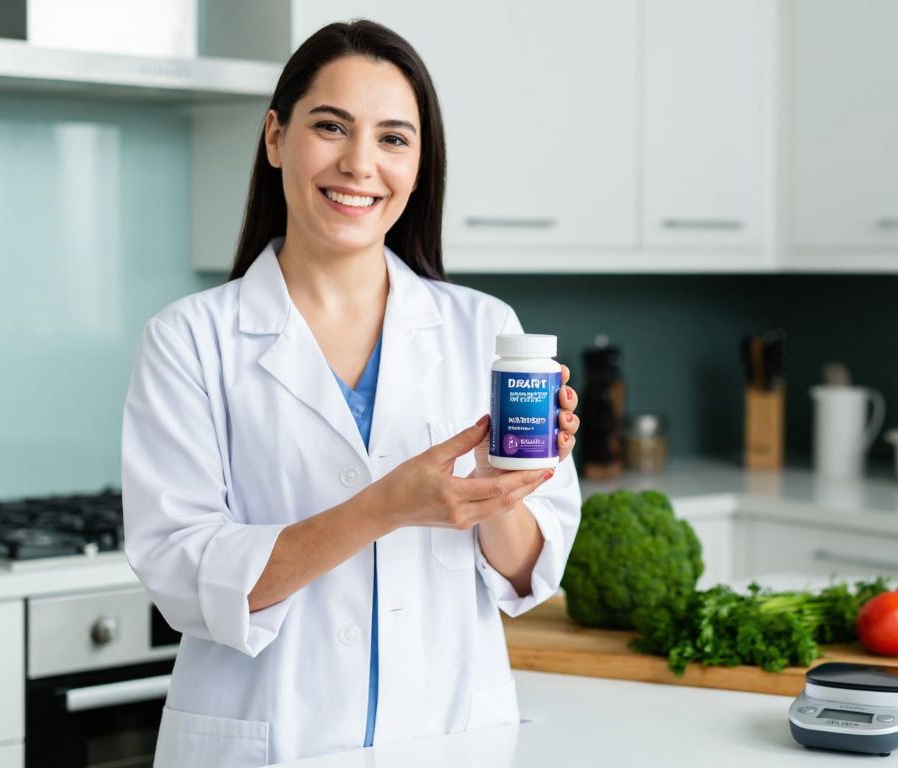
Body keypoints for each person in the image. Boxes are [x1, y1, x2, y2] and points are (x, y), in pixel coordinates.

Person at [121, 19, 582, 767]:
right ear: (275, 138)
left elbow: (532, 573)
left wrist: (501, 490)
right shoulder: (189, 339)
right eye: (331, 127)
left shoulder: (485, 330)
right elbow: (183, 575)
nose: (360, 163)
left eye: (393, 138)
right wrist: (386, 506)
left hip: (446, 736)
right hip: (267, 743)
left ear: (419, 162)